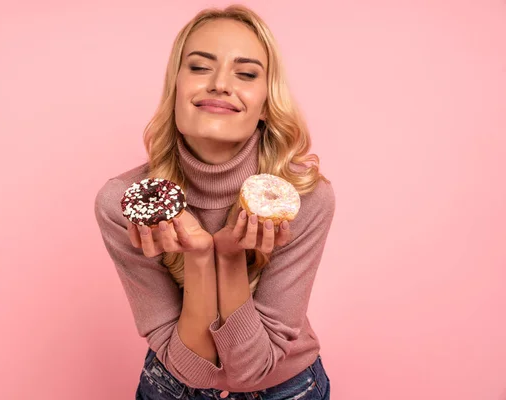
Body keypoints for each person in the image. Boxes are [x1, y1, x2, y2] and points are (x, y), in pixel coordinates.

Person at [94, 4, 335, 399]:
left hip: (285, 387)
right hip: (170, 386)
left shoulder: (305, 198)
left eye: (246, 73)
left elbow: (253, 369)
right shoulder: (122, 203)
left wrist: (228, 255)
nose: (221, 84)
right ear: (175, 86)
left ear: (265, 103)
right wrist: (201, 256)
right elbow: (193, 370)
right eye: (200, 67)